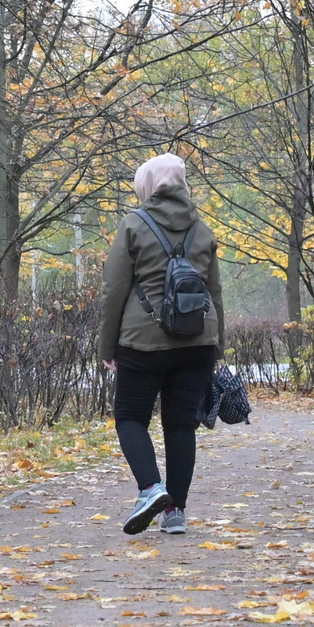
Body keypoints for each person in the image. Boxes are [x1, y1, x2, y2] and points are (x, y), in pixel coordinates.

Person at [96, 152, 226, 535]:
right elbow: (215, 291)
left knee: (130, 418)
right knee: (181, 425)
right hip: (197, 340)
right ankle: (176, 513)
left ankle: (152, 487)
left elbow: (115, 289)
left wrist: (107, 347)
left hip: (142, 341)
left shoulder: (134, 225)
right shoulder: (201, 228)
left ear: (146, 185)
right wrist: (216, 346)